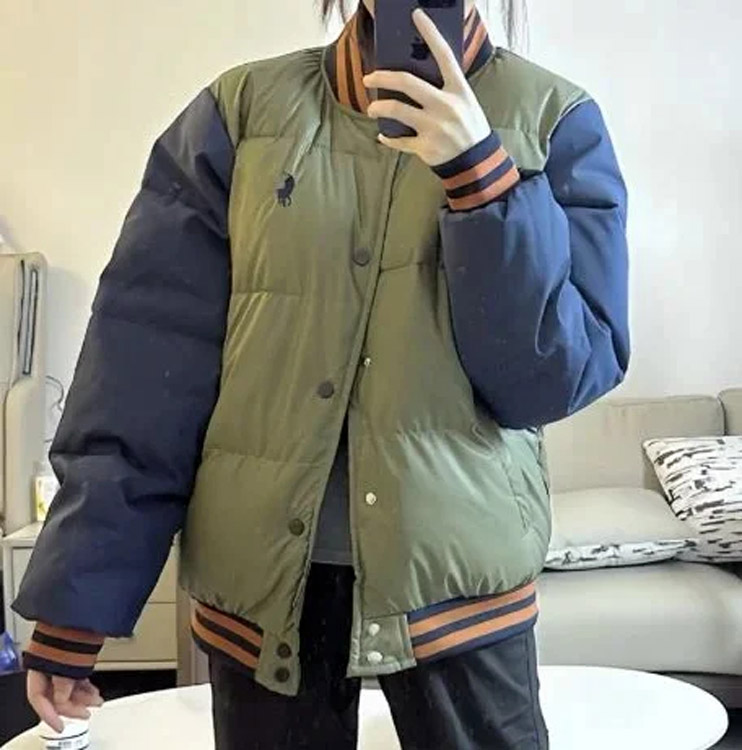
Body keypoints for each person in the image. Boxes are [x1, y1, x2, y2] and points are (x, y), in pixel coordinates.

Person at [13, 0, 629, 747]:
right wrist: (78, 599)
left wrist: (483, 180)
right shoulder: (241, 114)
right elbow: (143, 363)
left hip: (460, 587)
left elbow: (551, 379)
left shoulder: (555, 120)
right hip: (264, 585)